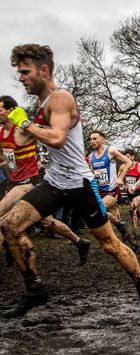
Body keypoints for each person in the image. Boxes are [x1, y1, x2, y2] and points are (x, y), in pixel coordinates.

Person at [2, 44, 140, 323]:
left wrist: (24, 124)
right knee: (9, 226)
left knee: (110, 245)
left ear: (44, 70)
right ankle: (34, 288)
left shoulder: (61, 99)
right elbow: (26, 139)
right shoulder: (40, 106)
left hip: (79, 185)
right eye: (19, 72)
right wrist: (16, 124)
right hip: (52, 183)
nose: (21, 78)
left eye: (25, 72)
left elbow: (57, 137)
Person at [0, 94, 91, 265]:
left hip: (29, 181)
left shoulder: (23, 131)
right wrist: (9, 173)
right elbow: (3, 158)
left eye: (0, 110)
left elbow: (49, 136)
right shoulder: (0, 133)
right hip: (14, 182)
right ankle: (79, 241)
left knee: (3, 217)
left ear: (11, 110)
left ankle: (13, 254)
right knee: (48, 222)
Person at [89, 131, 136, 249]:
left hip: (112, 190)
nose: (92, 141)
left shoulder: (110, 152)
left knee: (99, 209)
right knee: (115, 218)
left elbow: (129, 162)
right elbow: (92, 173)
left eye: (95, 139)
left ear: (102, 140)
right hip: (100, 190)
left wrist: (120, 178)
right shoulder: (91, 157)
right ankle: (133, 243)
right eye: (91, 139)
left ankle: (121, 225)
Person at [120, 149, 140, 243]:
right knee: (135, 212)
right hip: (128, 191)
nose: (126, 159)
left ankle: (135, 232)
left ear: (132, 157)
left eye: (128, 157)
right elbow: (119, 179)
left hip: (139, 190)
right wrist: (123, 186)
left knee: (132, 208)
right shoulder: (123, 167)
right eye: (125, 157)